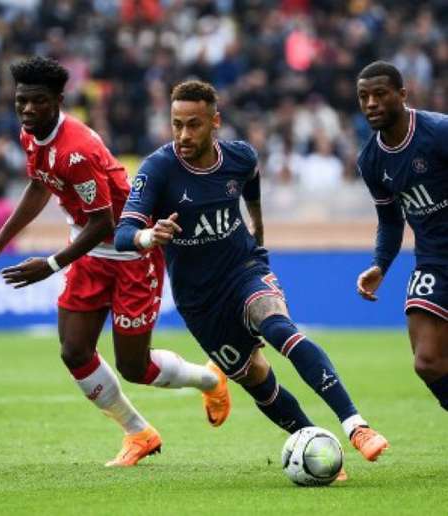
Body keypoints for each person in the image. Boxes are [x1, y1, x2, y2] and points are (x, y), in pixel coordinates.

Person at [114, 80, 388, 478]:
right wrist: (147, 236)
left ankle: (356, 426)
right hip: (199, 300)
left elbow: (251, 182)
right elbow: (124, 233)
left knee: (278, 327)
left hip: (243, 271)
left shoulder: (240, 157)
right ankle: (312, 441)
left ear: (215, 123)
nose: (183, 135)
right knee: (257, 378)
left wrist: (257, 233)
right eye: (176, 125)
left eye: (193, 125)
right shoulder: (159, 168)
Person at [0, 57, 230, 467]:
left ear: (58, 100)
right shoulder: (31, 135)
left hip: (130, 254)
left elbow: (103, 222)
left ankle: (210, 379)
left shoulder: (78, 151)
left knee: (134, 367)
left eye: (37, 101)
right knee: (73, 351)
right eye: (21, 102)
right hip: (88, 255)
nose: (28, 110)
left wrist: (51, 265)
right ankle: (138, 432)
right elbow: (40, 185)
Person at [355, 61, 448, 411]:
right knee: (427, 361)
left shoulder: (438, 132)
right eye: (364, 97)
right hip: (434, 261)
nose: (371, 103)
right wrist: (380, 264)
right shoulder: (371, 161)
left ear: (403, 95)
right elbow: (391, 221)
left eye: (380, 94)